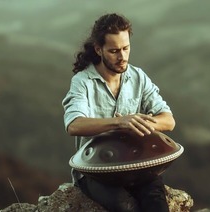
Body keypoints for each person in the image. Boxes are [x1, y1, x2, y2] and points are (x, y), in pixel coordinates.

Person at [62, 13, 175, 212]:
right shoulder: (82, 82)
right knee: (126, 207)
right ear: (99, 49)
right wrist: (119, 122)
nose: (122, 56)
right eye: (114, 51)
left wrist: (139, 123)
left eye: (126, 48)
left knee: (156, 202)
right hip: (96, 171)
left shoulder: (138, 77)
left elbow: (168, 120)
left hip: (135, 165)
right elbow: (74, 125)